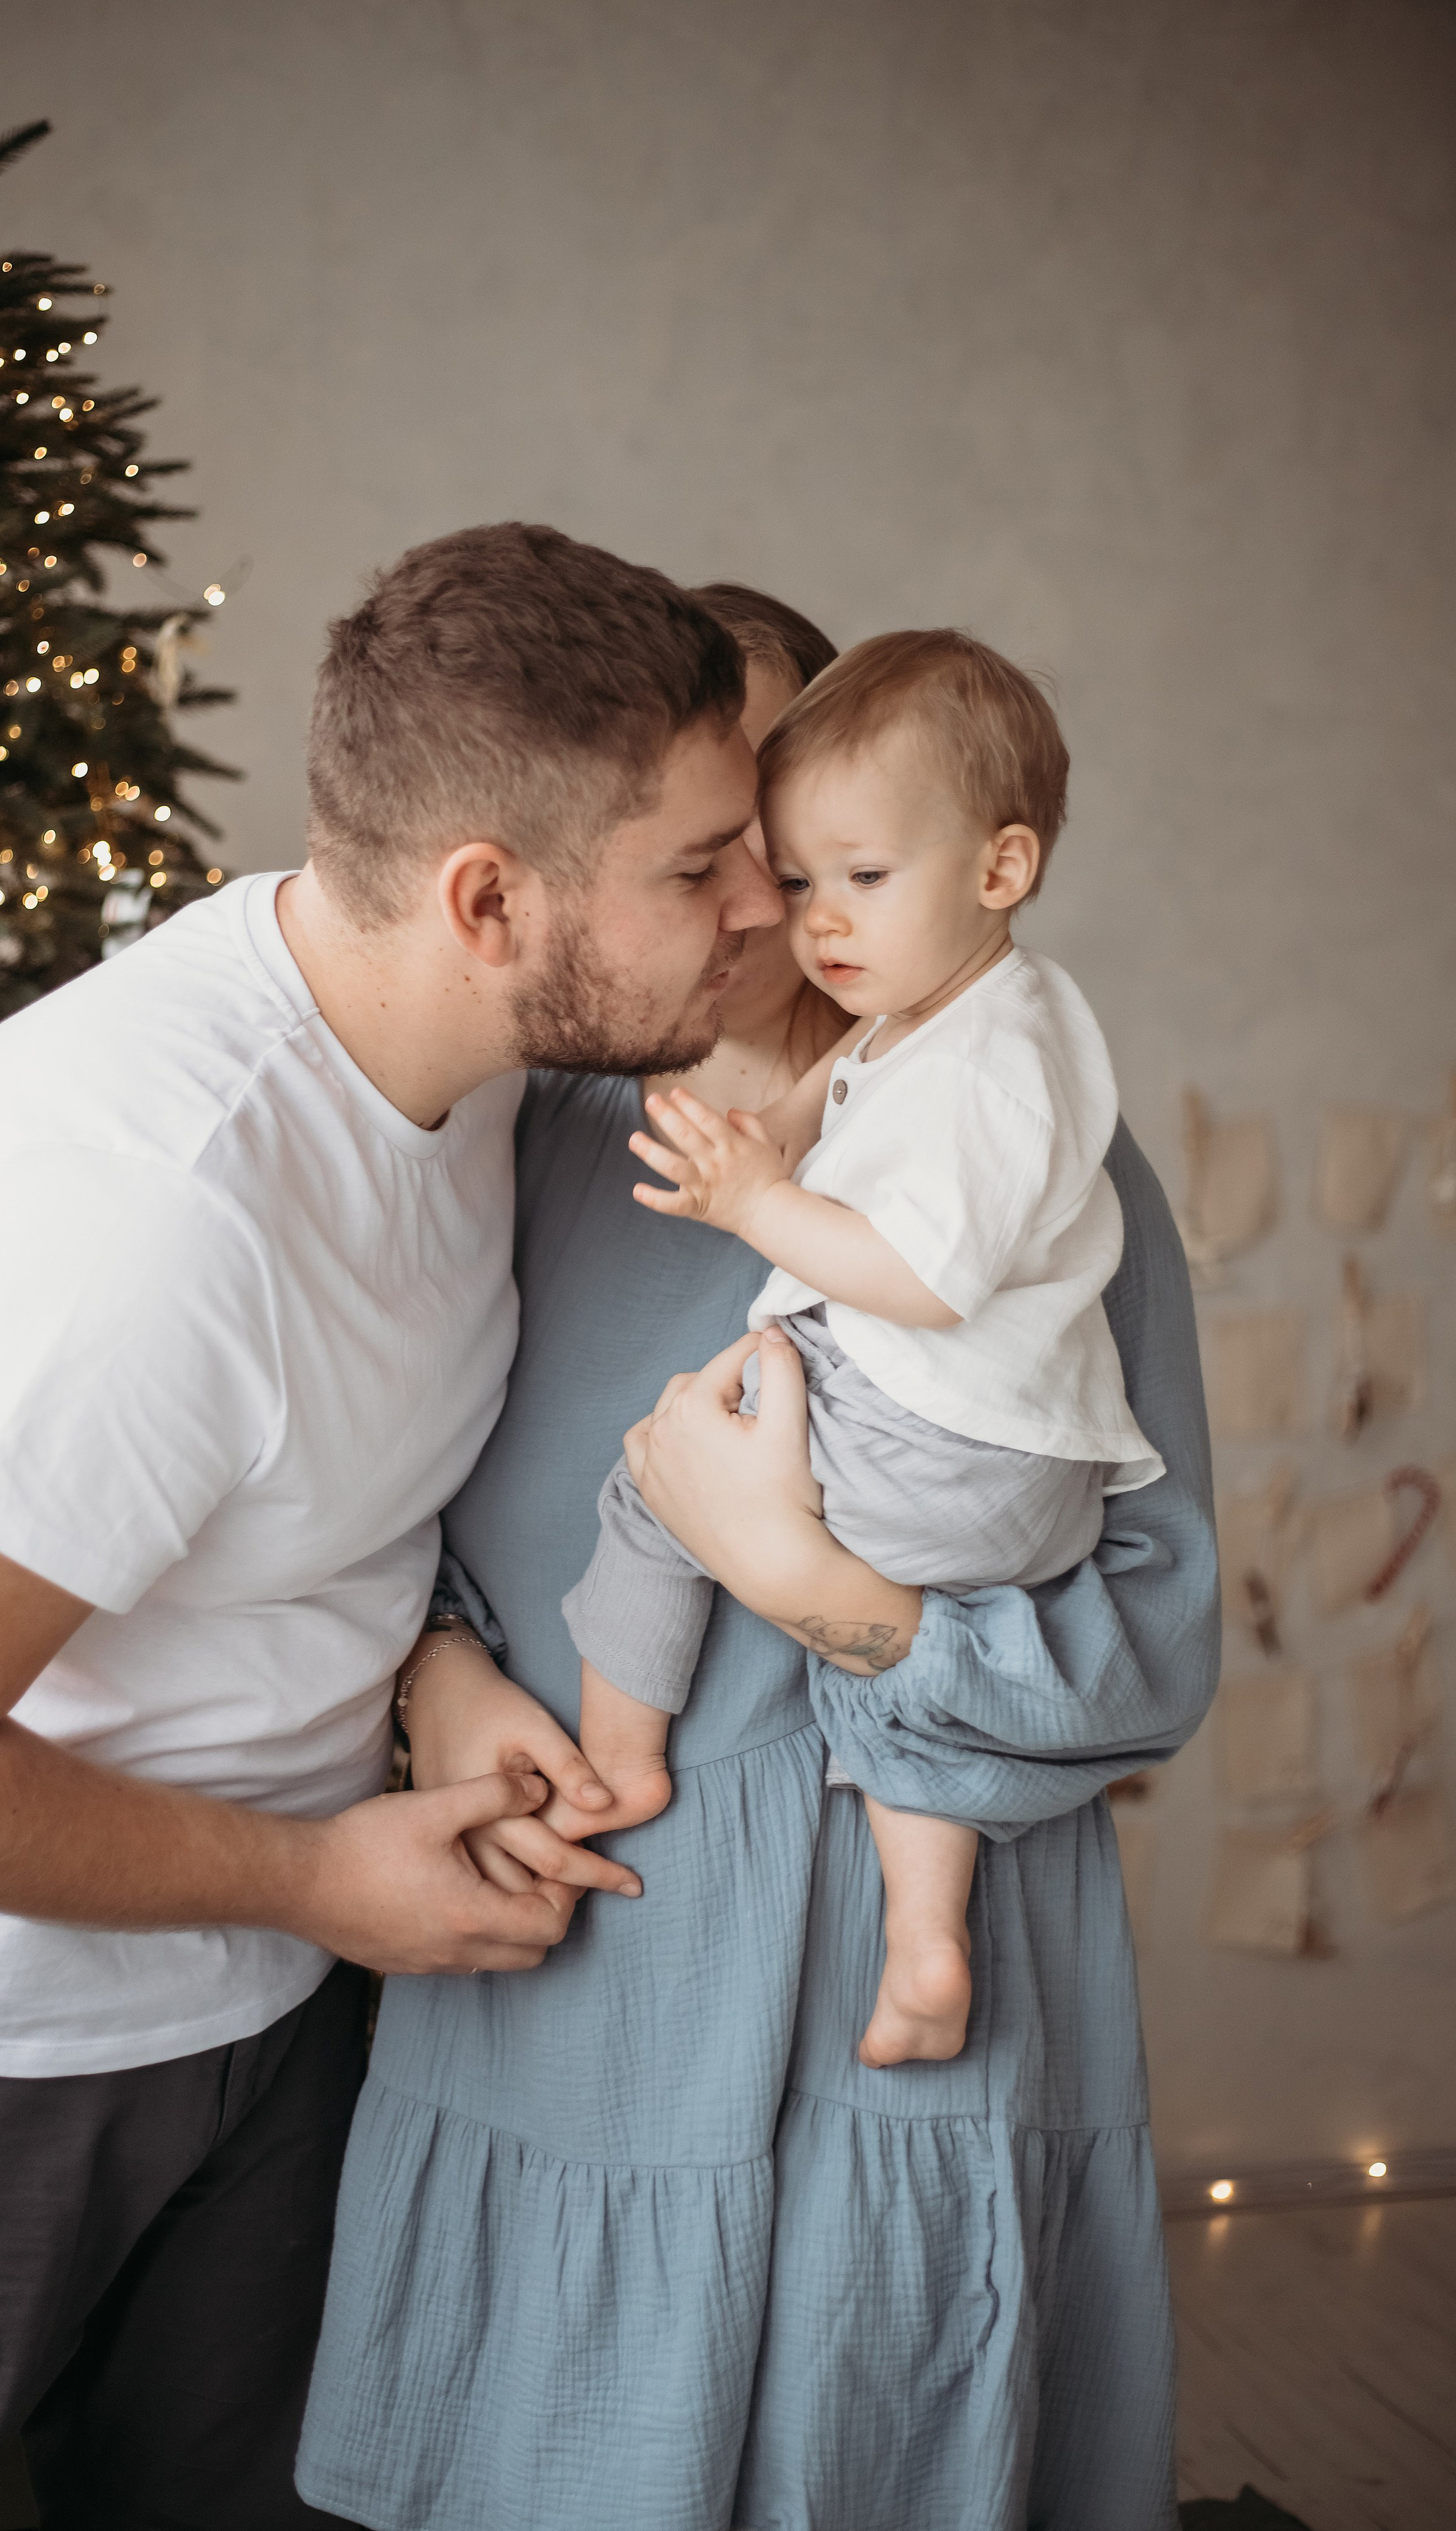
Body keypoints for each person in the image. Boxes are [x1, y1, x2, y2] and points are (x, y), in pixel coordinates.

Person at [0, 523, 784, 2531]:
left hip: (261, 2010)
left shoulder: (456, 1054)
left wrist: (438, 1671)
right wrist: (321, 1878)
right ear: (488, 900)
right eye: (700, 868)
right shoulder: (146, 1211)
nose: (763, 907)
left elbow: (291, 1502)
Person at [296, 584, 1219, 2531]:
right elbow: (352, 1524)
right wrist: (441, 1685)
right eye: (714, 853)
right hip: (584, 2007)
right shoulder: (517, 1139)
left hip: (921, 2052)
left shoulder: (1048, 1170)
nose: (767, 909)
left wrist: (804, 1583)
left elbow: (1154, 1636)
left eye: (796, 848)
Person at [564, 628, 1163, 2068]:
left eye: (856, 875)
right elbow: (857, 1090)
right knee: (895, 1716)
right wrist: (778, 1135)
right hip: (1011, 1477)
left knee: (661, 1478)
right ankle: (922, 1943)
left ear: (997, 869)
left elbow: (921, 1274)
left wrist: (758, 1200)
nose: (803, 916)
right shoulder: (951, 1012)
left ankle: (611, 1765)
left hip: (943, 1429)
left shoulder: (993, 1063)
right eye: (784, 867)